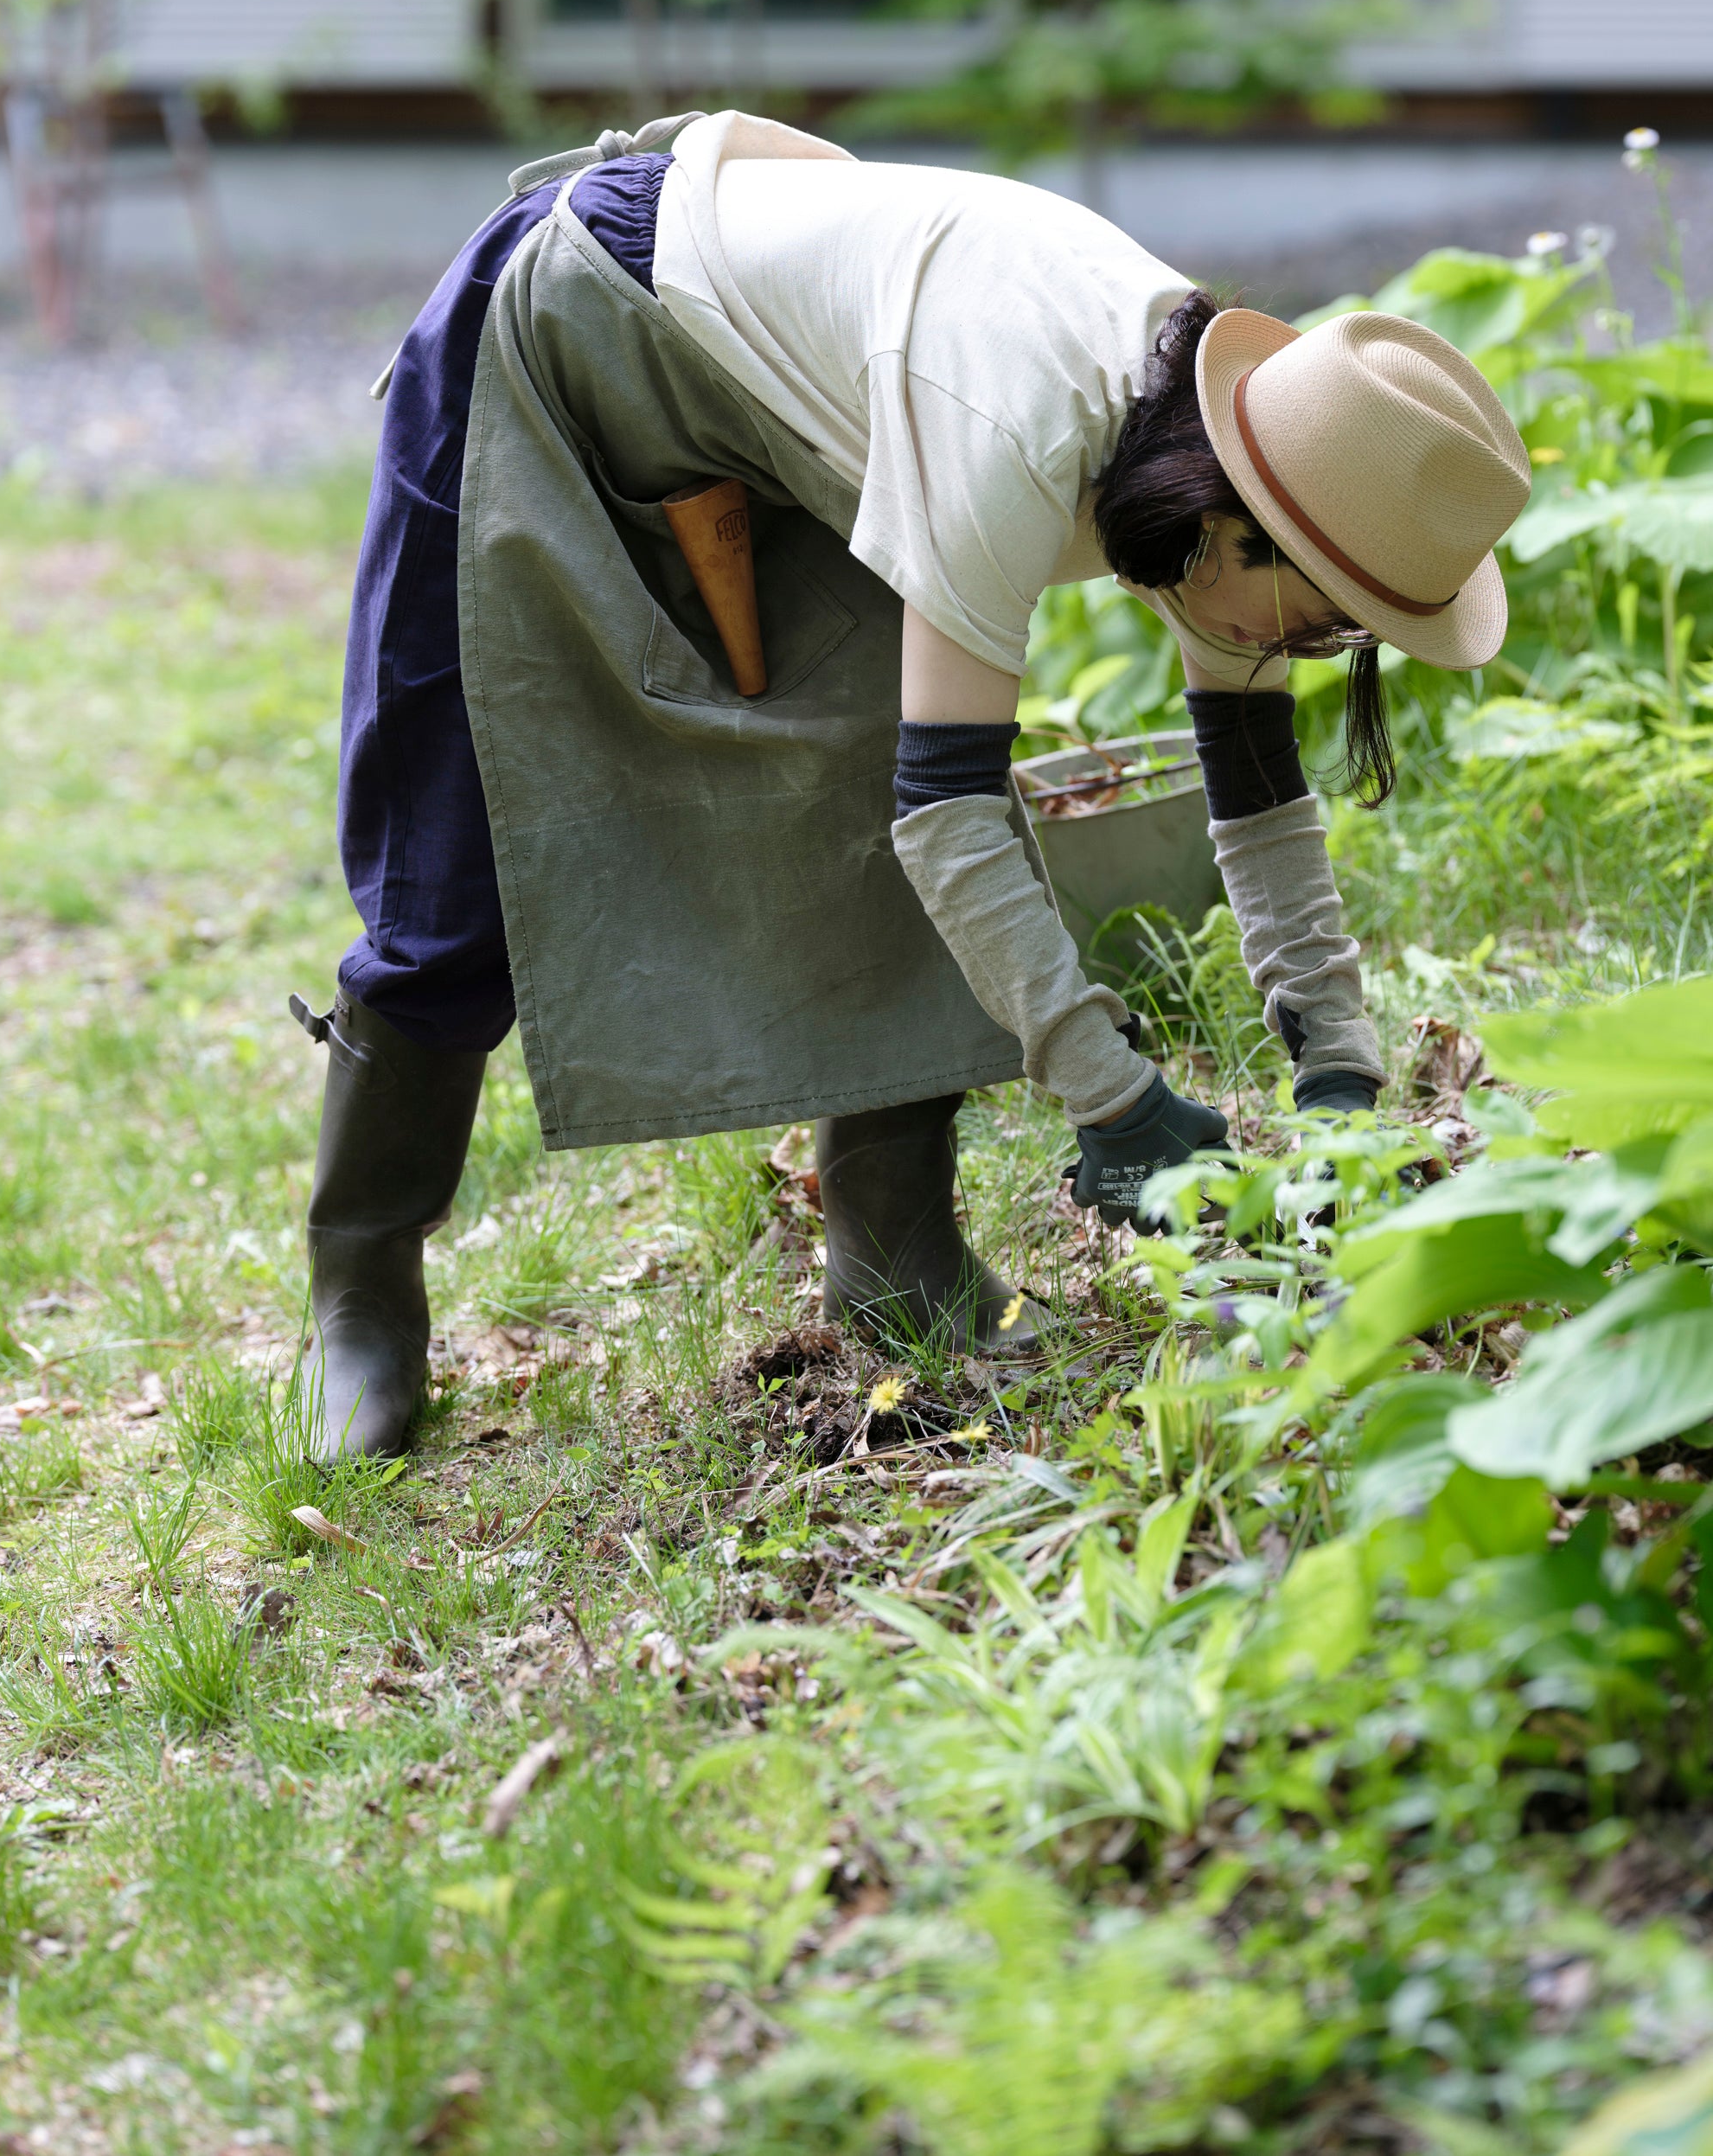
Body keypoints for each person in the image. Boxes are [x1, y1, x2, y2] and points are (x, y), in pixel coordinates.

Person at [290, 108, 1531, 1457]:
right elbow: (949, 816)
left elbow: (1262, 805)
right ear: (1234, 513)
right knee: (447, 867)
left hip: (789, 419)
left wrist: (1339, 1085)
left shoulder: (1221, 473)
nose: (1299, 653)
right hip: (554, 327)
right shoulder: (1018, 420)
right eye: (1309, 622)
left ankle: (899, 1263)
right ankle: (361, 1292)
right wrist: (1114, 1101)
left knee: (873, 807)